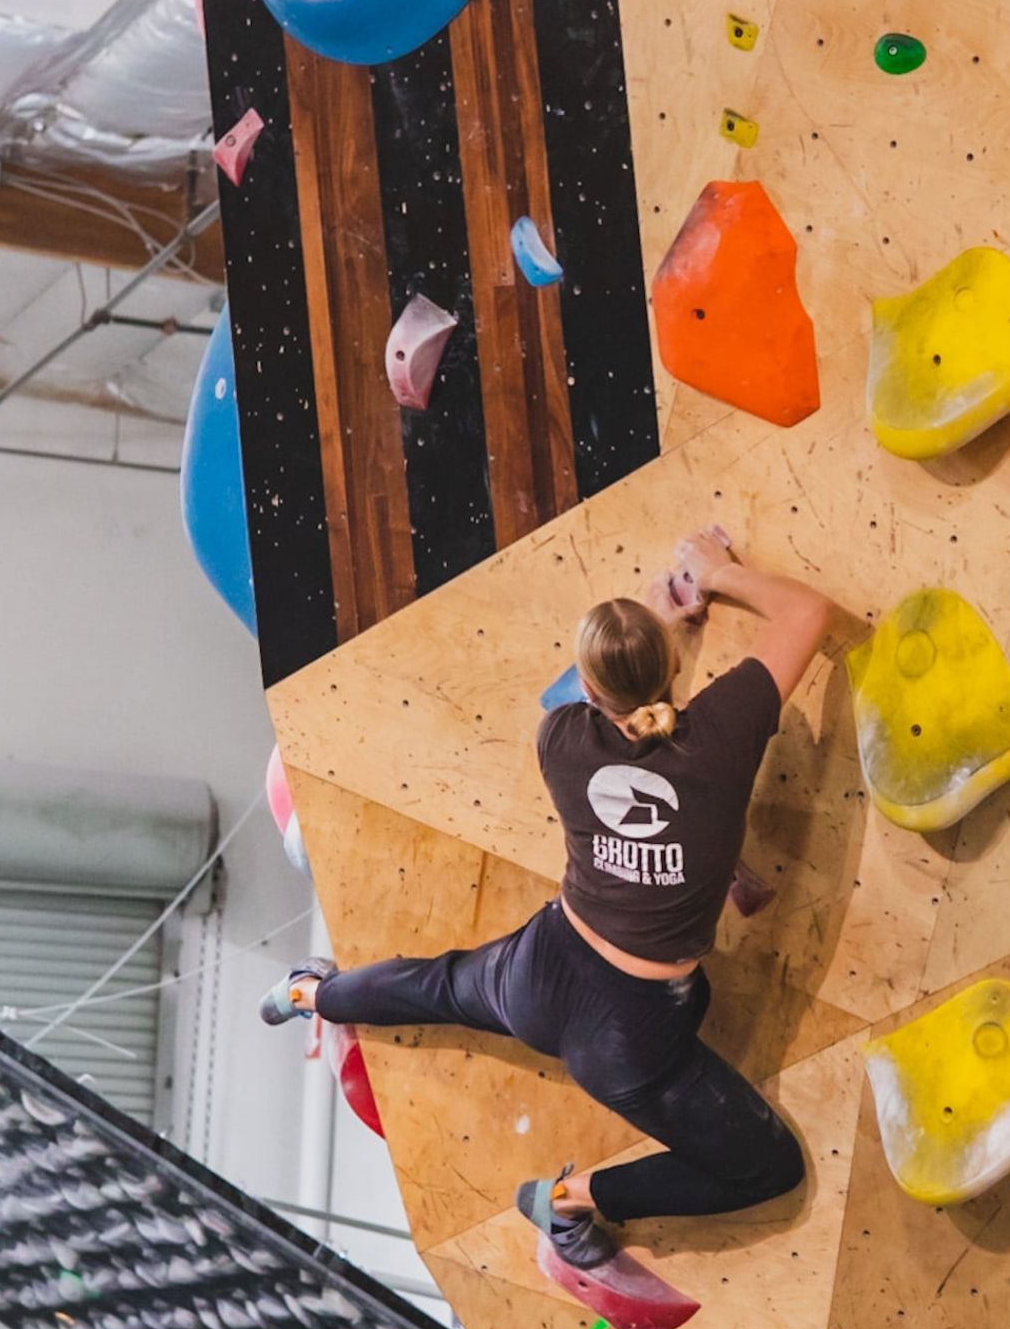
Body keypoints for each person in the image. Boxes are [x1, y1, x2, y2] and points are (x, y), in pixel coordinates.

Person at [261, 531, 834, 1271]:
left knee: (439, 986)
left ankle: (311, 992)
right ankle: (567, 1202)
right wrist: (714, 576)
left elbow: (597, 698)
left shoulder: (560, 738)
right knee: (769, 1166)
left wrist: (650, 634)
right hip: (630, 1035)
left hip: (542, 971)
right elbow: (807, 612)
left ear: (592, 694)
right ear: (670, 672)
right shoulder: (723, 735)